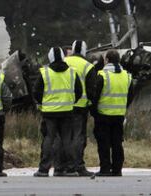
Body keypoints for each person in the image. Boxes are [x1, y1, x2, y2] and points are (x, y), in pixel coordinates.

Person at [32, 47, 82, 177]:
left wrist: (44, 103)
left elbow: (36, 92)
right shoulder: (72, 72)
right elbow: (79, 91)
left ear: (50, 58)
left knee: (49, 139)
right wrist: (70, 101)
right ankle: (70, 169)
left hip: (49, 113)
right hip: (67, 111)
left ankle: (44, 169)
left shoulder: (44, 73)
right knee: (67, 140)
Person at [91, 49, 134, 177]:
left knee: (104, 143)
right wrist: (122, 107)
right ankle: (117, 169)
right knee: (117, 143)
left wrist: (94, 112)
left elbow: (95, 96)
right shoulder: (127, 76)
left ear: (107, 60)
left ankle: (105, 168)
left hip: (103, 114)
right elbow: (130, 96)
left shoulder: (102, 75)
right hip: (119, 114)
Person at [64, 40, 96, 176]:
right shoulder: (88, 66)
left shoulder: (64, 62)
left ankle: (63, 165)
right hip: (80, 107)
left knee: (65, 137)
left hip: (63, 106)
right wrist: (91, 104)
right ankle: (78, 165)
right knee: (78, 137)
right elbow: (91, 89)